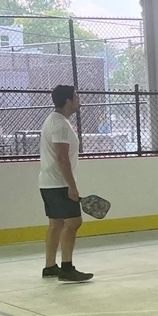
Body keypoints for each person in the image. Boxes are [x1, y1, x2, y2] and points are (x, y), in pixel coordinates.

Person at [39, 84, 93, 282]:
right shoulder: (60, 124)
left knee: (56, 224)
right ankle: (67, 268)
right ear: (68, 101)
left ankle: (50, 266)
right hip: (59, 183)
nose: (79, 100)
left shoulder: (53, 120)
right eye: (76, 97)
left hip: (48, 183)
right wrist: (72, 186)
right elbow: (62, 158)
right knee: (73, 222)